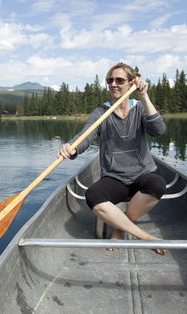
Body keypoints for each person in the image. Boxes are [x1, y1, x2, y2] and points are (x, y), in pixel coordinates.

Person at [58, 62, 167, 254]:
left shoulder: (140, 108)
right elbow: (85, 137)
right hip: (115, 177)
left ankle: (119, 228)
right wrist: (72, 148)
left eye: (119, 80)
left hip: (142, 174)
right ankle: (145, 237)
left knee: (157, 184)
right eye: (110, 80)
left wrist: (144, 96)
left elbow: (159, 130)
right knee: (93, 195)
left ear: (131, 83)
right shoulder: (101, 112)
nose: (113, 84)